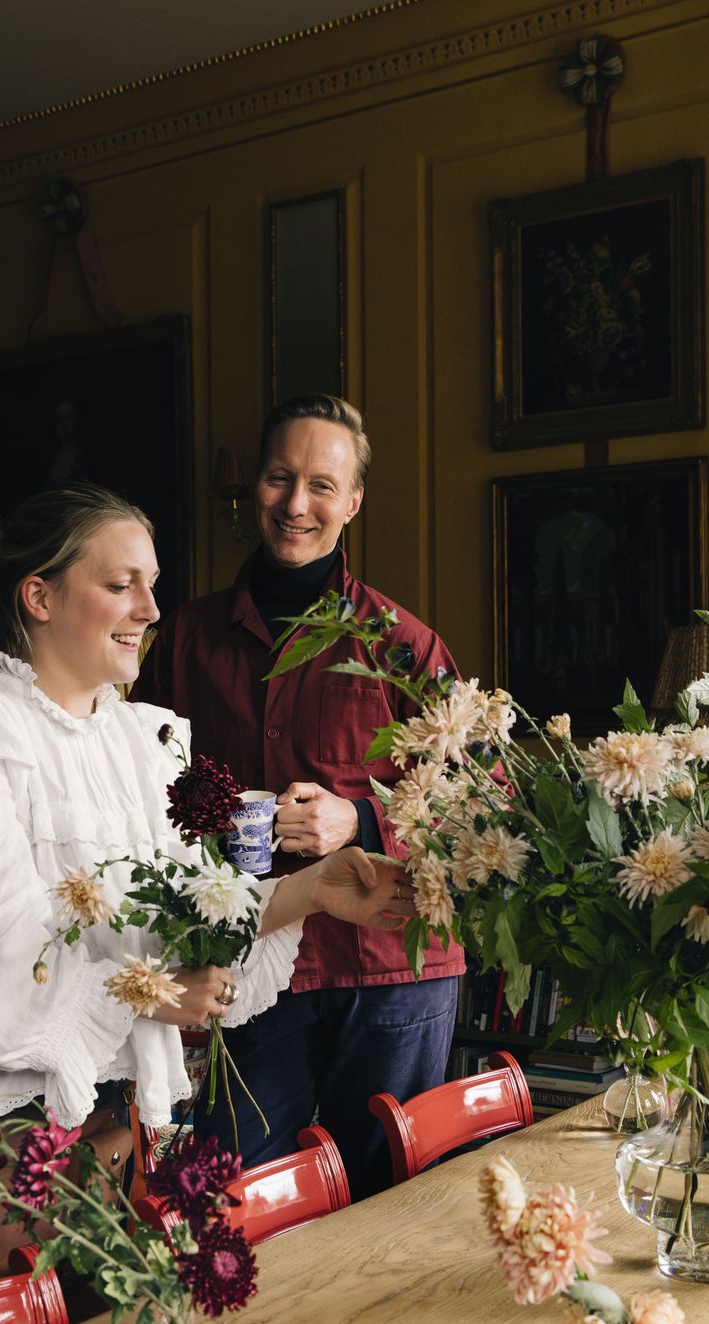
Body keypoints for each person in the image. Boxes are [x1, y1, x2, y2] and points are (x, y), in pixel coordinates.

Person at [0, 482, 415, 1298]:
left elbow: (196, 918)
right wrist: (152, 997)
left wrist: (316, 891)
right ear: (39, 597)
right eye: (121, 584)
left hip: (117, 1148)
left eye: (150, 585)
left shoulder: (145, 744)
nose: (151, 610)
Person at [133, 396, 464, 1199]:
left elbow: (479, 798)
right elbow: (139, 787)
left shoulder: (404, 646)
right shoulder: (185, 639)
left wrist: (363, 816)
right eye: (281, 478)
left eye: (322, 484)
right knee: (237, 1204)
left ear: (353, 501)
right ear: (255, 487)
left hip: (393, 968)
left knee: (393, 1209)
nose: (297, 504)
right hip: (251, 966)